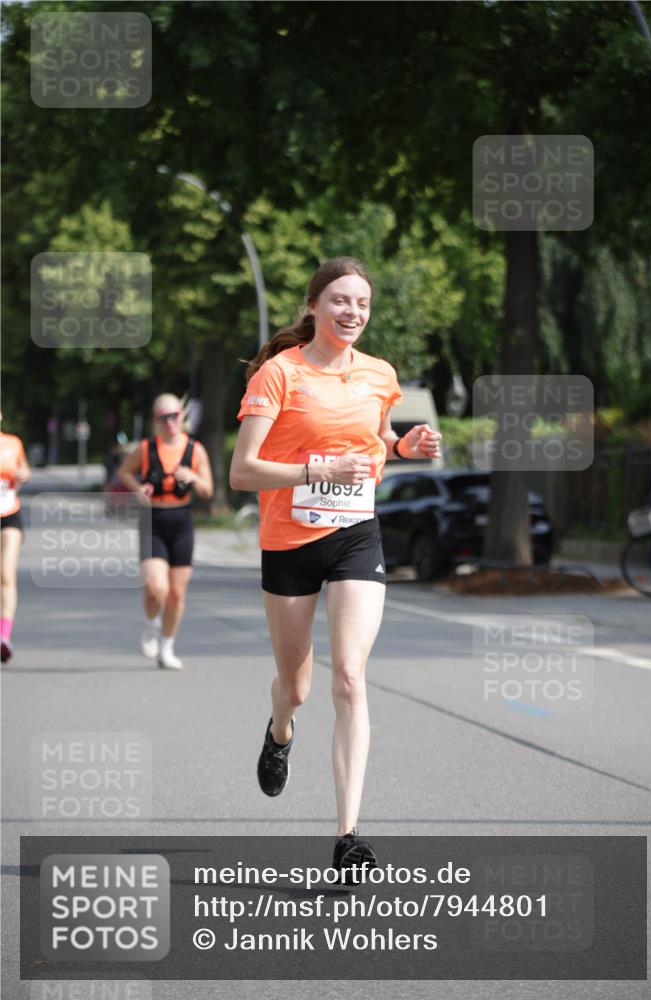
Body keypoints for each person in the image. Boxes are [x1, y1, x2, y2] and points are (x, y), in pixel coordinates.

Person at [230, 257, 441, 872]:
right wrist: (316, 470)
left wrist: (404, 446)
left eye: (363, 304)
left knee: (349, 676)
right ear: (314, 306)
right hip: (289, 541)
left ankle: (348, 837)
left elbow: (378, 439)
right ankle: (280, 731)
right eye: (341, 301)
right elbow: (242, 471)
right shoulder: (279, 373)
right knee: (296, 686)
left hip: (355, 535)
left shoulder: (379, 374)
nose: (353, 312)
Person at [118, 394, 213, 670]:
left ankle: (167, 647)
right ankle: (151, 625)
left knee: (177, 594)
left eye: (174, 416)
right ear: (156, 420)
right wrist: (139, 489)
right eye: (164, 417)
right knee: (156, 587)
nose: (170, 422)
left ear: (182, 416)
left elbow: (208, 489)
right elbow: (124, 473)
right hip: (153, 521)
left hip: (181, 522)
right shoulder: (145, 448)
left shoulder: (195, 449)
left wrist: (193, 477)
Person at [0, 415, 30, 663]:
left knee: (6, 575)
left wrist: (23, 474)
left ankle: (4, 637)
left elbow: (25, 471)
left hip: (9, 513)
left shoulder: (13, 443)